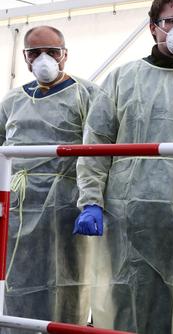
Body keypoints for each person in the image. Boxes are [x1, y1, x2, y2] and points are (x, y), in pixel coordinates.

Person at [74, 0, 173, 333]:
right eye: (172, 20)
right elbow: (96, 142)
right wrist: (91, 202)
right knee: (127, 301)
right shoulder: (121, 79)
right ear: (153, 27)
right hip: (128, 218)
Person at [0, 26, 98, 331]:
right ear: (26, 59)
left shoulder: (86, 94)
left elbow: (100, 148)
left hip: (66, 206)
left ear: (65, 54)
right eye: (35, 53)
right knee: (17, 280)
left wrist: (93, 201)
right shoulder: (13, 100)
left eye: (52, 52)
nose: (44, 59)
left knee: (65, 281)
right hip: (19, 207)